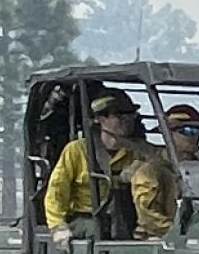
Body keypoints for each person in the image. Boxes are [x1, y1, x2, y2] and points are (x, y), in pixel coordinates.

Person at [44, 88, 178, 245]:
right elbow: (56, 192)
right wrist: (58, 226)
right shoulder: (77, 150)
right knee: (95, 229)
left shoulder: (139, 150)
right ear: (100, 119)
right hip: (87, 217)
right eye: (119, 115)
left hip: (127, 218)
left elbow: (168, 164)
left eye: (130, 115)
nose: (126, 120)